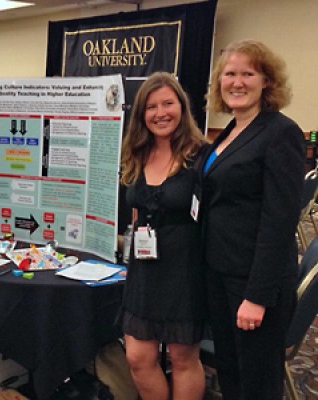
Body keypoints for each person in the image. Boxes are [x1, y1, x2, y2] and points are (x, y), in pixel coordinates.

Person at [200, 39, 305, 400]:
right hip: (220, 274)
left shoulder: (280, 132)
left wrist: (257, 296)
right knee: (230, 372)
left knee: (257, 383)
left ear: (267, 82)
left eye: (248, 73)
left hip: (253, 282)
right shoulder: (229, 132)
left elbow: (280, 220)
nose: (237, 82)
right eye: (230, 74)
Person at [120, 71, 207, 400]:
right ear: (142, 114)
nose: (161, 113)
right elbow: (137, 210)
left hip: (185, 269)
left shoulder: (202, 156)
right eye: (151, 106)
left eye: (168, 103)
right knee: (138, 358)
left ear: (182, 108)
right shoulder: (138, 153)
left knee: (184, 359)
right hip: (144, 268)